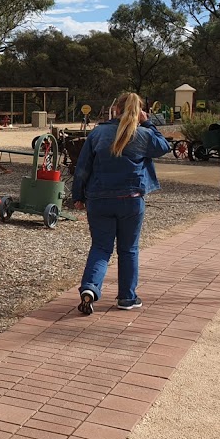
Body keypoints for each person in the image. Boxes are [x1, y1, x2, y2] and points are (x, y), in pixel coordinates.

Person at [71, 92, 171, 314]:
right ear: (139, 112)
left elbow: (82, 168)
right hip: (131, 201)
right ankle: (126, 298)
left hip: (99, 199)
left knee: (100, 248)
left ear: (115, 109)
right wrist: (148, 122)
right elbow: (164, 146)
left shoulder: (98, 133)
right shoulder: (143, 135)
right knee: (128, 250)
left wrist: (78, 196)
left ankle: (89, 289)